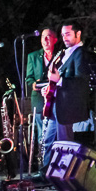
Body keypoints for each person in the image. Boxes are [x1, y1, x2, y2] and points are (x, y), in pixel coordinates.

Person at [43, 22, 91, 160]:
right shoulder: (64, 53)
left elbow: (82, 81)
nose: (64, 38)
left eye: (68, 34)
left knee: (65, 143)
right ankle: (46, 171)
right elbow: (57, 77)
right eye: (63, 35)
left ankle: (64, 174)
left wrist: (59, 80)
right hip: (55, 103)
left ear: (78, 34)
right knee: (48, 141)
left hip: (67, 105)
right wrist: (50, 86)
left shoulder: (80, 53)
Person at [25, 28, 58, 167]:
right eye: (43, 37)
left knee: (55, 133)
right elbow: (29, 78)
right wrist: (34, 85)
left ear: (55, 39)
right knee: (41, 135)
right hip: (39, 99)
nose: (45, 40)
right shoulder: (33, 56)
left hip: (56, 98)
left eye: (48, 36)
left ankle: (55, 166)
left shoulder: (60, 55)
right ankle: (42, 167)